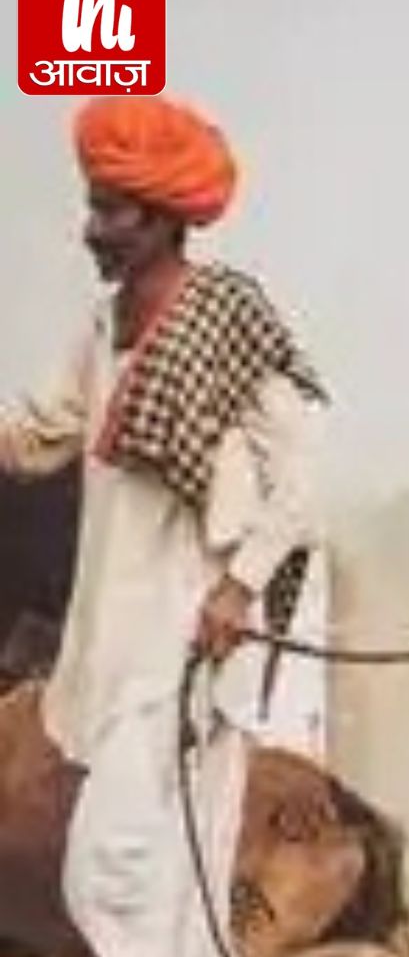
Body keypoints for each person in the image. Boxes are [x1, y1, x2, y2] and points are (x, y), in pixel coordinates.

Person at [0, 95, 327, 957]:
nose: (90, 231)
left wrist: (238, 584)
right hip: (109, 634)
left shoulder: (227, 317)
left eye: (108, 211)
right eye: (92, 207)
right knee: (173, 879)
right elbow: (37, 439)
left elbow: (299, 474)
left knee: (108, 869)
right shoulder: (100, 328)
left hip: (188, 631)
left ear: (161, 220)